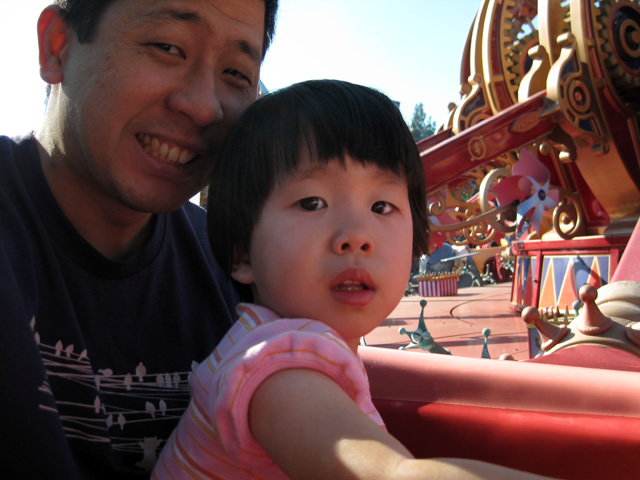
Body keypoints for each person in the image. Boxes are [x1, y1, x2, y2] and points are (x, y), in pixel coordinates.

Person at [152, 80, 554, 480]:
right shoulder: (276, 368)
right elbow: (389, 474)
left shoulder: (273, 343)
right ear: (242, 252)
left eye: (382, 205)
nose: (357, 235)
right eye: (312, 203)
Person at [0, 0, 278, 478]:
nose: (203, 105)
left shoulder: (241, 268)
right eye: (167, 47)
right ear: (56, 47)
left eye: (235, 73)